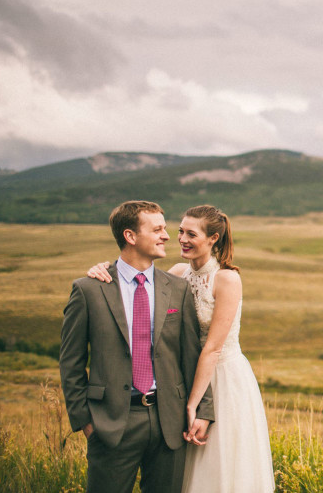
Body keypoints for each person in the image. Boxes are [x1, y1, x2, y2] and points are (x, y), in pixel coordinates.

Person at [89, 204, 275, 492]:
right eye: (180, 231)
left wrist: (194, 404)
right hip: (183, 376)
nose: (181, 239)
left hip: (222, 379)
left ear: (213, 238)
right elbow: (137, 279)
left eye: (191, 234)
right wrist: (103, 268)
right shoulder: (177, 272)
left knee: (219, 464)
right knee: (180, 466)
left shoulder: (227, 279)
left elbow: (212, 349)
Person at [60, 200, 214, 493]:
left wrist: (204, 410)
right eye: (157, 229)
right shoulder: (89, 290)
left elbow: (191, 355)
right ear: (130, 236)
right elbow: (71, 362)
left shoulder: (177, 288)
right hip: (111, 423)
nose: (167, 236)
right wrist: (85, 422)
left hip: (170, 420)